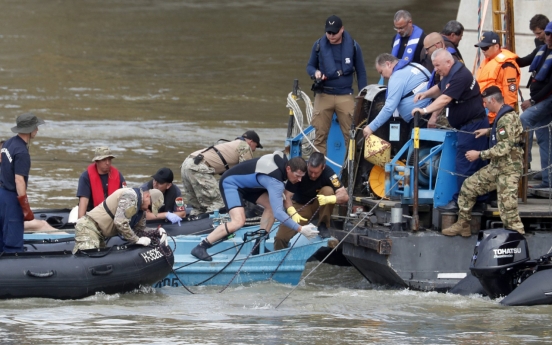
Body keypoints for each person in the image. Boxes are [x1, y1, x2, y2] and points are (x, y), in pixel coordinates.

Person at [190, 152, 319, 261]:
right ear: (288, 169)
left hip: (249, 185)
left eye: (302, 177)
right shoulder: (275, 182)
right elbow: (279, 213)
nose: (300, 180)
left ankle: (258, 245)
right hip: (231, 183)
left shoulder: (284, 161)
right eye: (297, 176)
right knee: (238, 222)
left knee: (270, 206)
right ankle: (201, 247)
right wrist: (300, 229)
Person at [412, 49, 489, 211]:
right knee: (473, 164)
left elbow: (446, 98)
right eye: (434, 66)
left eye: (437, 65)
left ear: (448, 62)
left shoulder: (461, 75)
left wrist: (425, 111)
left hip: (473, 125)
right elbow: (441, 89)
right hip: (465, 125)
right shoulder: (448, 72)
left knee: (465, 164)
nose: (435, 70)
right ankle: (479, 200)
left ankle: (461, 202)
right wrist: (425, 94)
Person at [442, 86, 524, 236]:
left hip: (509, 170)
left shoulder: (507, 117)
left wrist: (479, 154)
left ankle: (517, 238)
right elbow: (502, 134)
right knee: (469, 186)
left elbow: (504, 147)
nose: (484, 106)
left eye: (486, 102)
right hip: (497, 167)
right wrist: (488, 131)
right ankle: (463, 224)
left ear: (493, 100)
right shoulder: (502, 116)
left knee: (508, 210)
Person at [306, 15, 367, 155]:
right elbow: (309, 66)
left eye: (334, 32)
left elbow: (361, 72)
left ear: (342, 29)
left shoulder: (353, 46)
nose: (331, 35)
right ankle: (318, 171)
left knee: (351, 136)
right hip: (323, 94)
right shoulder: (318, 45)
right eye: (328, 32)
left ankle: (350, 172)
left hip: (345, 95)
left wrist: (363, 94)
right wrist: (315, 72)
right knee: (319, 136)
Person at [274, 152, 348, 250]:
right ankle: (280, 260)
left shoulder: (329, 173)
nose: (313, 175)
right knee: (280, 237)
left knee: (328, 191)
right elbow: (286, 196)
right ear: (307, 165)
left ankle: (323, 224)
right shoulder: (300, 170)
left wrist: (331, 198)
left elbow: (345, 196)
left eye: (316, 173)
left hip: (319, 206)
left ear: (323, 167)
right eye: (310, 171)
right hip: (301, 207)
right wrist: (292, 210)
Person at [181, 130, 261, 215]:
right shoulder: (244, 146)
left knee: (198, 206)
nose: (254, 150)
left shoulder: (230, 146)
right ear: (251, 141)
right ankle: (211, 225)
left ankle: (195, 222)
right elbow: (245, 173)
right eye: (256, 146)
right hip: (198, 167)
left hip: (186, 164)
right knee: (219, 202)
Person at [0, 113, 45, 252]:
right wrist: (25, 206)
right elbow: (19, 180)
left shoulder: (7, 143)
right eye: (35, 126)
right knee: (13, 241)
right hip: (12, 198)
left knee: (2, 234)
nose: (37, 129)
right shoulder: (22, 152)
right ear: (30, 129)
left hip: (1, 193)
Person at [72, 188, 166, 253]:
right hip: (89, 227)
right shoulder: (130, 196)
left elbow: (139, 231)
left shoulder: (141, 211)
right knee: (88, 260)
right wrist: (136, 240)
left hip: (101, 235)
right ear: (147, 196)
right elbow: (120, 222)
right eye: (150, 207)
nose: (148, 210)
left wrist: (156, 232)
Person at [362, 53, 431, 139]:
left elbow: (389, 108)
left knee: (414, 152)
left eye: (381, 72)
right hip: (429, 111)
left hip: (422, 118)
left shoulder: (397, 77)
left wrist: (371, 127)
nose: (382, 76)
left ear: (388, 64)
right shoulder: (414, 65)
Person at [516, 14, 549, 180]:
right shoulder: (541, 46)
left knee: (525, 120)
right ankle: (547, 178)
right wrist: (506, 55)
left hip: (545, 99)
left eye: (540, 33)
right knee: (543, 137)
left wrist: (533, 101)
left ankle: (524, 165)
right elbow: (524, 61)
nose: (539, 38)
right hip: (539, 98)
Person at [474, 31, 521, 124]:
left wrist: (504, 117)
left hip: (497, 117)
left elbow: (510, 96)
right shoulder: (487, 61)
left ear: (496, 46)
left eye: (486, 47)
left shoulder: (506, 65)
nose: (483, 50)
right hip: (484, 113)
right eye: (481, 47)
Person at [76, 146, 126, 219]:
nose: (107, 163)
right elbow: (84, 201)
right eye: (104, 160)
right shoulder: (86, 177)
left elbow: (124, 199)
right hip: (92, 214)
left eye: (109, 159)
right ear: (97, 161)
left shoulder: (118, 176)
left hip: (113, 216)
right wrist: (80, 222)